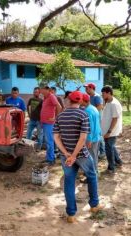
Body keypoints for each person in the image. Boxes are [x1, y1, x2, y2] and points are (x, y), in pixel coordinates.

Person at [53, 91, 103, 223]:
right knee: (92, 176)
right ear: (80, 101)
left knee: (69, 181)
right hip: (81, 154)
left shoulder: (60, 115)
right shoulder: (83, 114)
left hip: (66, 156)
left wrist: (66, 153)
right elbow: (83, 138)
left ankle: (71, 214)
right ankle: (94, 205)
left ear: (69, 100)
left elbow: (56, 137)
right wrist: (74, 155)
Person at [101, 85, 123, 174]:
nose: (102, 95)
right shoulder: (108, 102)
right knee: (111, 146)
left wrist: (109, 131)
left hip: (111, 131)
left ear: (109, 93)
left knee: (108, 149)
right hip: (107, 130)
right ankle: (118, 161)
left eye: (103, 93)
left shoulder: (114, 104)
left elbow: (115, 118)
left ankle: (111, 167)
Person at [40, 84, 62, 165]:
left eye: (41, 89)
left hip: (49, 123)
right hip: (45, 123)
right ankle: (48, 158)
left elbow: (59, 107)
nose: (40, 91)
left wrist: (56, 118)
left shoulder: (51, 96)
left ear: (46, 89)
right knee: (48, 141)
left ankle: (51, 160)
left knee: (49, 141)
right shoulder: (45, 98)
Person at [84, 83, 106, 158]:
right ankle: (98, 150)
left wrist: (92, 113)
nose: (86, 90)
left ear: (92, 88)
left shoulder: (96, 97)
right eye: (85, 88)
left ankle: (102, 152)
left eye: (87, 88)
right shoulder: (89, 97)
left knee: (98, 135)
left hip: (97, 118)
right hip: (92, 118)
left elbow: (100, 106)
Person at [81, 93, 101, 171]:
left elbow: (90, 127)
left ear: (83, 100)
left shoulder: (87, 111)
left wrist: (89, 139)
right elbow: (98, 122)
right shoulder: (93, 108)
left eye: (80, 100)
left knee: (91, 157)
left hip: (92, 138)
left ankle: (93, 174)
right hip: (97, 136)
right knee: (94, 155)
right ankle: (94, 172)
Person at [26, 87, 43, 151]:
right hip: (32, 120)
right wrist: (29, 115)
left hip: (39, 121)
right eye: (34, 92)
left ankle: (39, 147)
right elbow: (28, 107)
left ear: (39, 93)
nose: (35, 93)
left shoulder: (41, 100)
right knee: (28, 134)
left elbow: (43, 110)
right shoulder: (31, 99)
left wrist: (41, 119)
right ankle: (27, 147)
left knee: (39, 135)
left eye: (36, 92)